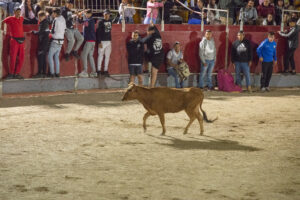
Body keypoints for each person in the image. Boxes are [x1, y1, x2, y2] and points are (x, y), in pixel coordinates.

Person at [2, 7, 25, 79]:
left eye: (19, 12)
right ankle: (11, 73)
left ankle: (17, 73)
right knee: (13, 57)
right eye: (17, 12)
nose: (18, 13)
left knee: (21, 58)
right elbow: (2, 22)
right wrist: (2, 30)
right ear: (14, 12)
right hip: (14, 40)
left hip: (21, 41)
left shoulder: (22, 18)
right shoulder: (10, 18)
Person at [141, 23, 164, 88]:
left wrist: (138, 37)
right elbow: (155, 28)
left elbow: (142, 41)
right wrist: (152, 24)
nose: (147, 33)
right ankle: (152, 86)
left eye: (148, 32)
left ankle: (151, 86)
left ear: (150, 31)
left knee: (153, 73)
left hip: (154, 56)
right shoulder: (158, 34)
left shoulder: (150, 36)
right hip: (160, 55)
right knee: (154, 72)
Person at [78, 9, 97, 78]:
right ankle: (94, 72)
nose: (86, 15)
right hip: (92, 41)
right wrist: (80, 16)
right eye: (86, 13)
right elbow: (82, 22)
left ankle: (85, 71)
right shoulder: (90, 20)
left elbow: (81, 22)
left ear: (90, 14)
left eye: (87, 13)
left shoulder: (88, 20)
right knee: (90, 56)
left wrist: (79, 16)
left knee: (83, 55)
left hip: (89, 41)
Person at [48, 8, 66, 78]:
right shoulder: (63, 18)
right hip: (61, 41)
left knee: (50, 56)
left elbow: (52, 31)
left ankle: (52, 73)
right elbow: (65, 29)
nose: (52, 14)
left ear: (55, 13)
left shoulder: (55, 20)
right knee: (56, 57)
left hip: (55, 40)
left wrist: (48, 32)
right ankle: (57, 73)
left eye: (53, 13)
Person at [32, 11, 49, 78]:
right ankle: (44, 73)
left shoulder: (43, 23)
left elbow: (40, 32)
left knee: (41, 58)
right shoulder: (46, 22)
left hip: (43, 43)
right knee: (44, 58)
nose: (39, 18)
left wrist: (34, 31)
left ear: (43, 16)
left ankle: (40, 73)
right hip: (45, 42)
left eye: (40, 16)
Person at [96, 9, 112, 77]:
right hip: (102, 41)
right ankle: (99, 70)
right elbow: (98, 32)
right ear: (103, 14)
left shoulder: (110, 21)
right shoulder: (100, 21)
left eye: (108, 14)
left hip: (108, 41)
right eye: (105, 14)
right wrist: (99, 42)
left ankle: (105, 70)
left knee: (107, 56)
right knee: (100, 56)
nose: (106, 15)